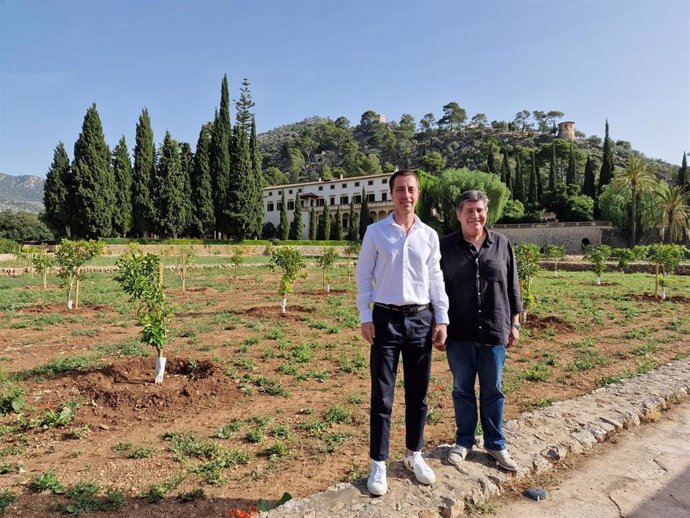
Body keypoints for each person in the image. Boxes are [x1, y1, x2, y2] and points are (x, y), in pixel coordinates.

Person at [356, 169, 449, 496]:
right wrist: (365, 316)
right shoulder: (376, 232)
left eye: (411, 189)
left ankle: (414, 454)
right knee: (382, 394)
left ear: (417, 194)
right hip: (385, 319)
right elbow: (364, 274)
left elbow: (436, 278)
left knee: (418, 393)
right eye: (399, 189)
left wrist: (442, 318)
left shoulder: (429, 235)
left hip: (421, 320)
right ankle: (378, 462)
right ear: (391, 193)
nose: (405, 195)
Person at [438, 190, 522, 472]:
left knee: (493, 390)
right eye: (469, 210)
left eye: (480, 210)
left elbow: (513, 286)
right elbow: (436, 290)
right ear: (459, 215)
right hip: (458, 332)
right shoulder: (445, 247)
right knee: (462, 389)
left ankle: (495, 444)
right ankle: (463, 441)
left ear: (487, 213)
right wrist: (437, 324)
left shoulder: (502, 244)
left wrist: (515, 322)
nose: (475, 215)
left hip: (494, 329)